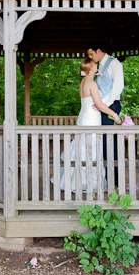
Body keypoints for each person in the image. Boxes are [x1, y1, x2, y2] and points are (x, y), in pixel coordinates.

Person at [54, 57, 120, 195]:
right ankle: (87, 182)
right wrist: (115, 115)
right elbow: (100, 105)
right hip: (91, 118)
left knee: (81, 146)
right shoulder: (92, 84)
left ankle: (73, 180)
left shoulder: (83, 82)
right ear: (91, 68)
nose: (97, 66)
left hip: (84, 116)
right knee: (90, 147)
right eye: (95, 65)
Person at [87, 44, 124, 163]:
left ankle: (115, 178)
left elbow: (118, 86)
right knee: (102, 141)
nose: (90, 57)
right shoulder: (99, 65)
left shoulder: (114, 64)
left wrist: (103, 103)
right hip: (101, 106)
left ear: (98, 50)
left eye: (91, 54)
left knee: (109, 142)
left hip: (111, 105)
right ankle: (105, 176)